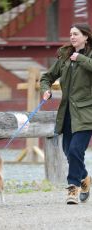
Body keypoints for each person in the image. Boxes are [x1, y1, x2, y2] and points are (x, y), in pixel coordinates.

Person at [40, 23, 92, 205]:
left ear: (86, 37)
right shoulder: (65, 56)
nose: (72, 37)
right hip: (67, 112)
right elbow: (47, 77)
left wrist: (82, 59)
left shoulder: (88, 56)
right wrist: (45, 90)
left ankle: (72, 189)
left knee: (76, 150)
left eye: (76, 34)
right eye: (70, 34)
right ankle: (85, 178)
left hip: (87, 112)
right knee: (69, 152)